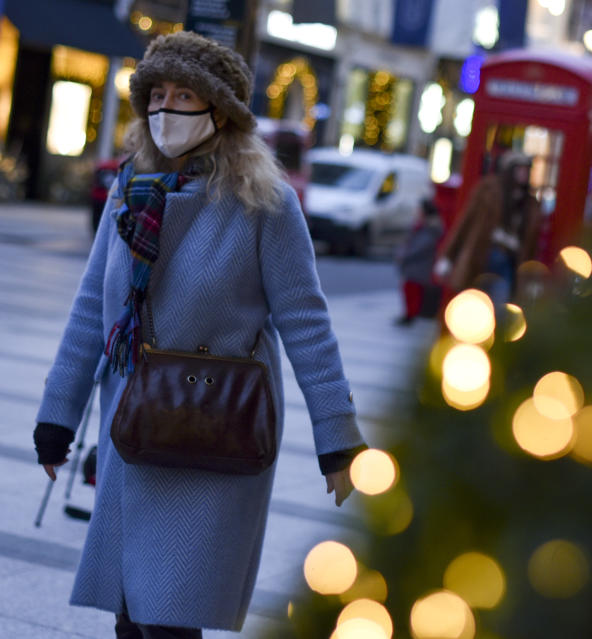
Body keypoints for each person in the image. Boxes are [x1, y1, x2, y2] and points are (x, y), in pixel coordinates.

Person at [31, 31, 365, 638]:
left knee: (170, 618)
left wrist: (337, 440)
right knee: (131, 615)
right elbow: (90, 312)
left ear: (222, 111)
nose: (165, 109)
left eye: (184, 95)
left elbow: (307, 324)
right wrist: (58, 416)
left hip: (215, 426)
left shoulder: (264, 202)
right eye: (156, 94)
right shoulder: (129, 189)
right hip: (135, 422)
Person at [434, 151, 542, 306]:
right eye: (520, 169)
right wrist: (448, 257)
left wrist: (531, 278)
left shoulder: (530, 203)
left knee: (499, 307)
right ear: (510, 170)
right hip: (482, 255)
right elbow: (466, 223)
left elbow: (531, 246)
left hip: (510, 262)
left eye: (527, 170)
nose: (524, 174)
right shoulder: (489, 190)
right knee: (473, 304)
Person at [394, 198, 444, 325]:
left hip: (419, 265)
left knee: (413, 291)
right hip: (415, 265)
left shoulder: (430, 229)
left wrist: (405, 255)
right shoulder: (422, 225)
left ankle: (410, 315)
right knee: (408, 290)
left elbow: (420, 246)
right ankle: (408, 314)